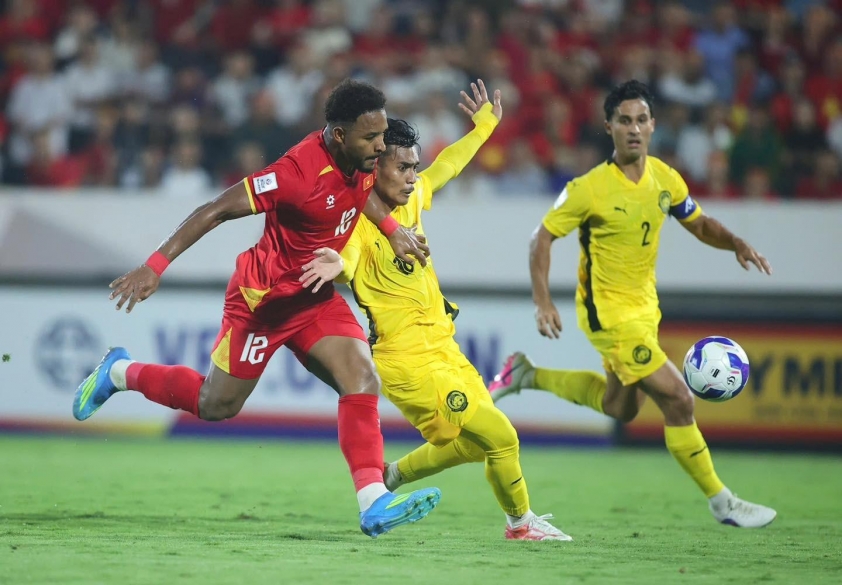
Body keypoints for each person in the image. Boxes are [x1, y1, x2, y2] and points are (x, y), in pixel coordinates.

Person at [72, 79, 439, 539]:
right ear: (339, 134)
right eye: (371, 137)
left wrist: (390, 228)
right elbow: (216, 209)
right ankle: (119, 372)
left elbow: (358, 193)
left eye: (382, 135)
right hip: (263, 304)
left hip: (314, 298)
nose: (381, 146)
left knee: (362, 378)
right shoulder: (294, 173)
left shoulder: (361, 158)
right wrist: (155, 266)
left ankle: (373, 501)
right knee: (215, 404)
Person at [488, 80, 777, 529]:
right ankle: (723, 501)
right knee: (678, 398)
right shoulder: (589, 188)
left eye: (641, 119)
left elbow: (699, 224)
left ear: (653, 125)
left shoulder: (665, 178)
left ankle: (527, 374)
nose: (634, 128)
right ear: (609, 127)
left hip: (645, 311)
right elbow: (540, 239)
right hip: (607, 314)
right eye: (624, 120)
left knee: (621, 407)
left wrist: (735, 242)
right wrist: (542, 301)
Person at [303, 80, 571, 541]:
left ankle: (391, 476)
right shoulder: (359, 224)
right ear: (374, 169)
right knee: (502, 437)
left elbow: (448, 165)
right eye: (402, 168)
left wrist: (484, 127)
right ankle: (521, 524)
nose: (412, 177)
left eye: (414, 167)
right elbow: (347, 258)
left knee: (473, 445)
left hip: (445, 348)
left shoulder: (413, 199)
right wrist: (336, 265)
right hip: (407, 361)